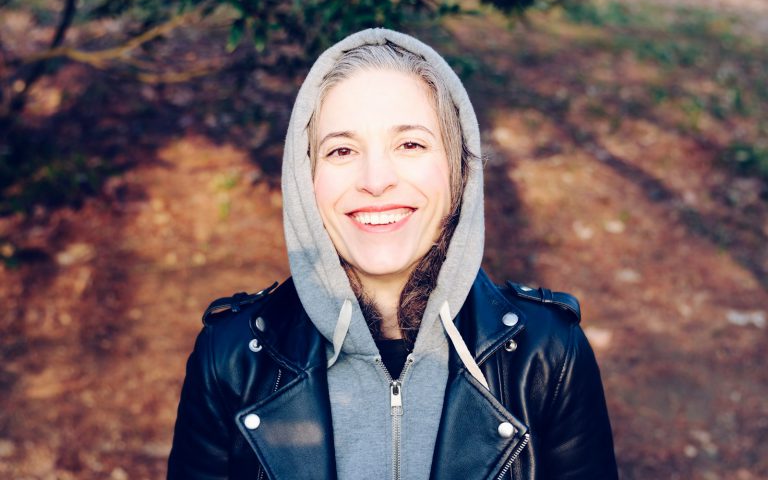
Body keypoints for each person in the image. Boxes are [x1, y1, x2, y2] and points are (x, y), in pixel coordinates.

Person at [167, 28, 618, 480]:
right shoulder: (230, 358)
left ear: (458, 169)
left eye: (410, 144)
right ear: (306, 179)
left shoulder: (547, 355)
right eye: (342, 149)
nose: (376, 179)